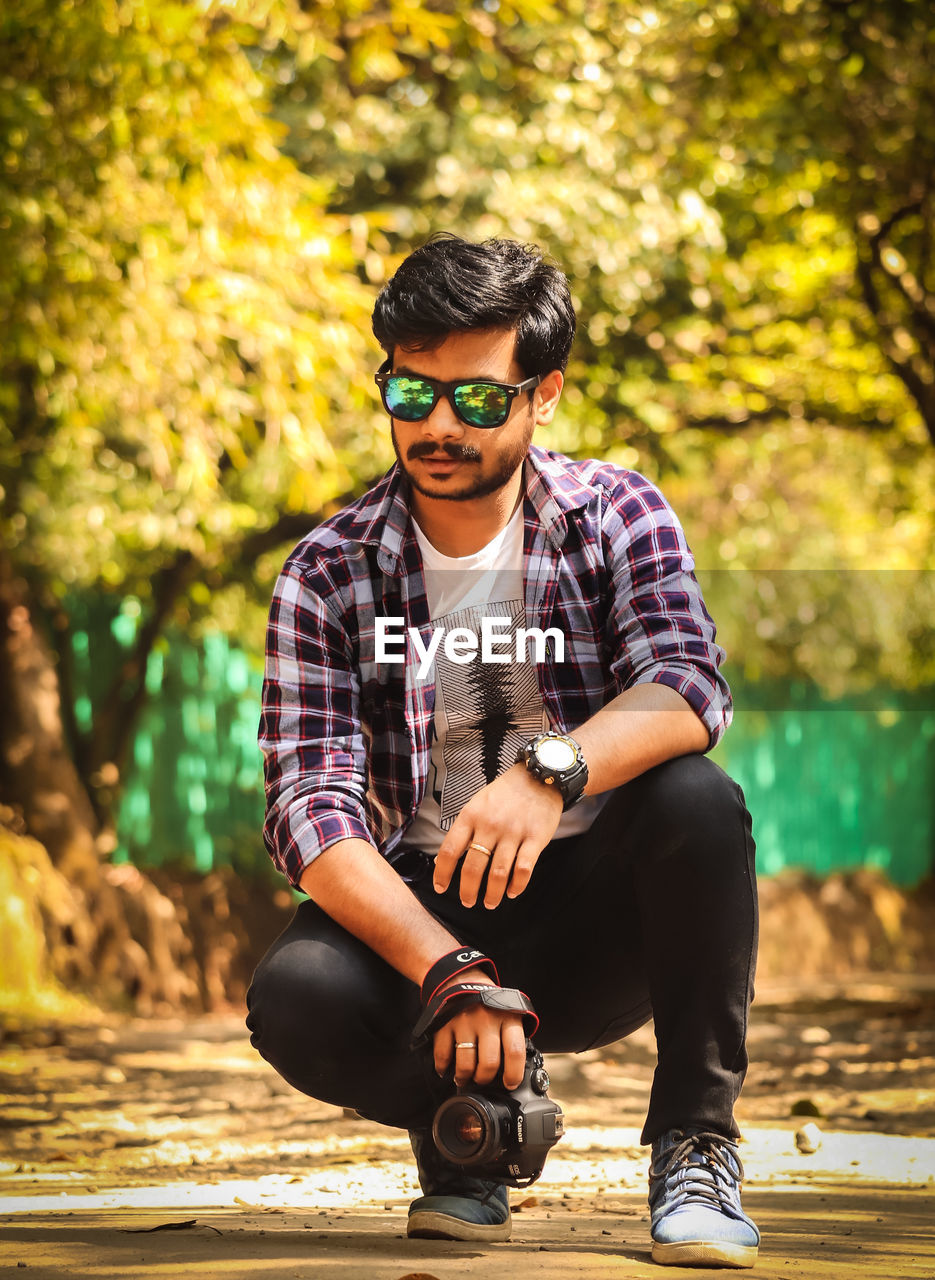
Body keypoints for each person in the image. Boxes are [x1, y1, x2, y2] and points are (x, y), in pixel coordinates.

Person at [246, 235, 760, 1269]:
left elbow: (687, 684)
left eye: (477, 400)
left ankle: (695, 1145)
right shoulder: (326, 571)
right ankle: (474, 1127)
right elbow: (310, 804)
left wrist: (548, 771)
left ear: (541, 394)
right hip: (422, 924)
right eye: (411, 391)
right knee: (293, 995)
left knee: (699, 803)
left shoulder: (616, 514)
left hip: (588, 916)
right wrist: (446, 966)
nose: (438, 424)